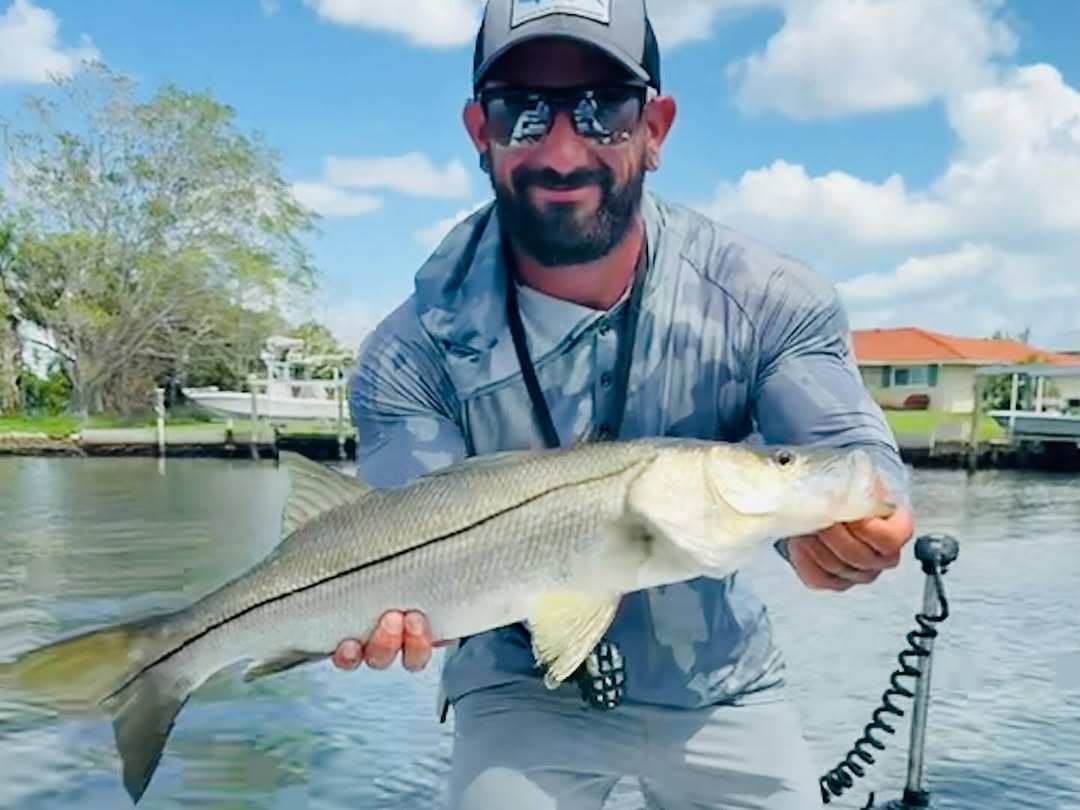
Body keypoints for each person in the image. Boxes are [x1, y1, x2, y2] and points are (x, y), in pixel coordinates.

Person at [340, 1, 915, 807]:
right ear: (481, 131)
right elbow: (409, 524)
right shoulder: (407, 352)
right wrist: (388, 610)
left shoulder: (769, 298)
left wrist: (856, 525)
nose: (564, 146)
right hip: (516, 686)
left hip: (723, 684)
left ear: (656, 128)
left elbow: (842, 445)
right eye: (523, 110)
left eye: (605, 109)